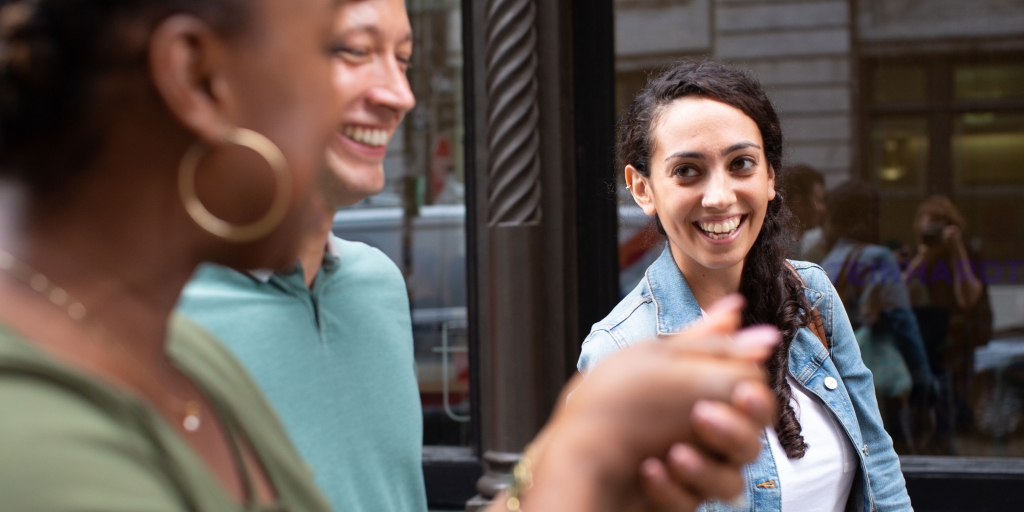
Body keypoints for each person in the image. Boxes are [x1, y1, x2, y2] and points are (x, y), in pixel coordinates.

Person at [0, 1, 778, 511]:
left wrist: (587, 457)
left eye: (402, 57)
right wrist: (576, 468)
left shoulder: (189, 362)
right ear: (199, 77)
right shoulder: (28, 434)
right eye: (337, 49)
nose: (398, 96)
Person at [578, 60, 913, 512]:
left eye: (741, 164)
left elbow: (881, 473)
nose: (719, 197)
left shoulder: (811, 294)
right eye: (687, 171)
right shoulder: (620, 351)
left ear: (770, 176)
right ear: (643, 188)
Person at [176, 1, 425, 510]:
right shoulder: (152, 311)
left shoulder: (378, 283)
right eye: (355, 51)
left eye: (403, 59)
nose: (400, 96)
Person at [819, 181, 935, 453]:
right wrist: (925, 385)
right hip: (877, 384)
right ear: (867, 217)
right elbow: (903, 323)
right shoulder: (878, 258)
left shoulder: (828, 261)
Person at [903, 196, 991, 449]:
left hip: (957, 342)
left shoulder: (966, 255)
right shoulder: (916, 255)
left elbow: (967, 300)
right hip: (924, 341)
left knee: (954, 402)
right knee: (924, 402)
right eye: (930, 227)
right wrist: (923, 257)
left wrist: (958, 251)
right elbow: (901, 295)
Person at [780, 164, 826, 262]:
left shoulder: (788, 241)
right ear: (798, 203)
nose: (823, 209)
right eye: (818, 201)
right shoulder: (785, 245)